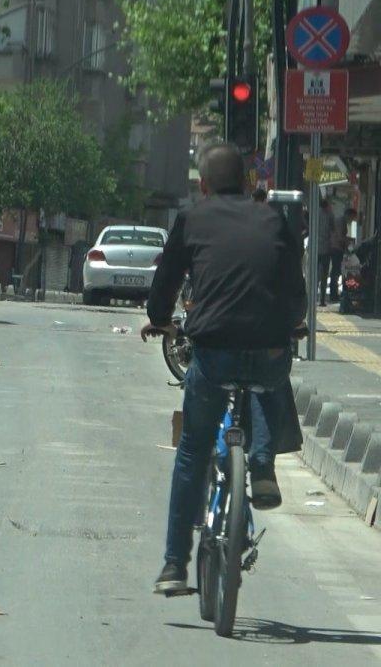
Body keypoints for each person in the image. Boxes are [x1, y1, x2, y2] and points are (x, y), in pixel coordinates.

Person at [141, 142, 306, 595]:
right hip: (269, 352)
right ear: (249, 183)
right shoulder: (274, 218)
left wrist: (158, 318)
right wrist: (294, 324)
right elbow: (295, 287)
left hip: (213, 353)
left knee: (193, 449)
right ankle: (262, 463)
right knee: (270, 377)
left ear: (204, 185)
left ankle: (174, 565)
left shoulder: (192, 218)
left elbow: (166, 282)